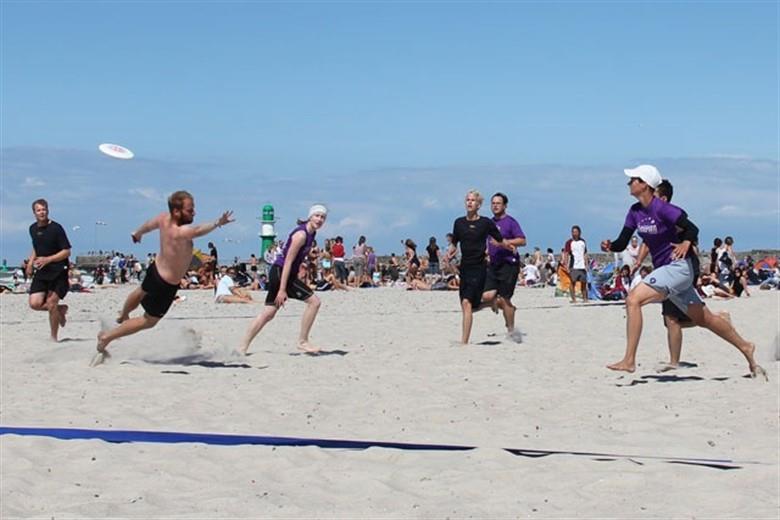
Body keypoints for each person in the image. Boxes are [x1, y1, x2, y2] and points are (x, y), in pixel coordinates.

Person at [601, 164, 765, 379]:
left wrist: (686, 242)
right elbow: (622, 241)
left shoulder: (662, 208)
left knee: (633, 300)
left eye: (633, 179)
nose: (629, 183)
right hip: (668, 271)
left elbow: (692, 228)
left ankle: (629, 360)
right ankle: (746, 348)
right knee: (704, 319)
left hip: (679, 267)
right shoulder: (635, 212)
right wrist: (610, 246)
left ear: (646, 184)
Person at [91, 191, 234, 366]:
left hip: (155, 269)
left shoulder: (163, 218)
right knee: (148, 321)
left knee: (141, 290)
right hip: (166, 284)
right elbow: (197, 230)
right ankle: (107, 337)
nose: (194, 213)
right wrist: (218, 223)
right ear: (176, 211)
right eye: (190, 210)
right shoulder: (180, 232)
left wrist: (137, 233)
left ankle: (124, 314)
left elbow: (148, 225)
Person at [240, 204, 328, 355]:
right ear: (310, 216)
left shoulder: (312, 233)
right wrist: (282, 289)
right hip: (281, 273)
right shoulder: (301, 235)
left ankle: (242, 347)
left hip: (284, 274)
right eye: (317, 215)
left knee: (268, 313)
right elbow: (287, 261)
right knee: (315, 302)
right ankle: (303, 341)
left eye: (322, 217)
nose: (319, 219)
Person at [444, 190, 513, 345]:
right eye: (467, 200)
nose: (469, 202)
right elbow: (455, 243)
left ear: (479, 204)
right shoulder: (459, 223)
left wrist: (510, 247)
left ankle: (464, 342)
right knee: (467, 305)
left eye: (473, 200)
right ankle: (491, 303)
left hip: (479, 268)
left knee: (467, 303)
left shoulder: (486, 223)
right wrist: (449, 253)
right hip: (465, 268)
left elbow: (500, 239)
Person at [481, 192, 527, 342]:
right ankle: (510, 310)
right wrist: (486, 252)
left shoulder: (510, 222)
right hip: (493, 265)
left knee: (505, 298)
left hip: (509, 264)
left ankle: (511, 330)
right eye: (493, 203)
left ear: (505, 205)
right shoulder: (489, 223)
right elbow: (489, 242)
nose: (495, 205)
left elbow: (522, 240)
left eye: (498, 203)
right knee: (487, 296)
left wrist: (505, 243)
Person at [27, 198, 72, 341]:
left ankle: (53, 338)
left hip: (58, 270)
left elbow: (67, 251)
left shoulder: (56, 228)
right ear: (34, 212)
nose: (42, 212)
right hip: (42, 271)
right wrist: (30, 263)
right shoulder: (32, 228)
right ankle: (60, 310)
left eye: (44, 209)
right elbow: (36, 246)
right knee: (34, 304)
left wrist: (48, 259)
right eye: (39, 210)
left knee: (51, 303)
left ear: (48, 210)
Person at [562, 225, 589, 303]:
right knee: (572, 282)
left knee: (584, 283)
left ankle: (585, 298)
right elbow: (566, 253)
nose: (574, 233)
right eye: (573, 232)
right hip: (573, 265)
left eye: (576, 232)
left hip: (582, 266)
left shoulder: (583, 241)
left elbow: (585, 253)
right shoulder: (569, 242)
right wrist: (566, 265)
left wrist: (586, 264)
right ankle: (574, 299)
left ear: (579, 232)